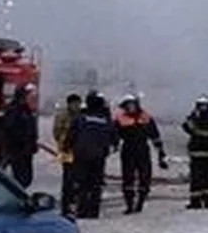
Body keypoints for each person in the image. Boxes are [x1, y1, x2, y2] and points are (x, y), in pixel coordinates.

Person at [114, 93, 168, 214]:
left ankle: (140, 202)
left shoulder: (146, 117)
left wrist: (161, 153)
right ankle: (129, 204)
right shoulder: (120, 118)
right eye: (128, 105)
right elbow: (114, 135)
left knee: (145, 176)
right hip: (128, 149)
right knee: (128, 177)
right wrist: (111, 146)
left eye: (132, 104)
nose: (130, 107)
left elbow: (155, 136)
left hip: (143, 149)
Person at [68, 92, 117, 220]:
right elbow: (114, 137)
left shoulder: (80, 118)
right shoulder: (105, 120)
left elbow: (71, 135)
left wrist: (68, 147)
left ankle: (82, 210)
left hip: (81, 155)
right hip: (98, 156)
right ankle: (94, 211)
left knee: (82, 183)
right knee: (96, 185)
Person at [1, 86, 38, 189]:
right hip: (18, 151)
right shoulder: (13, 110)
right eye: (28, 95)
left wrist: (33, 143)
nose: (31, 98)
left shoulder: (27, 110)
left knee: (27, 178)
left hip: (27, 151)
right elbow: (10, 129)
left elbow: (32, 128)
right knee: (21, 178)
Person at [53, 93, 82, 217]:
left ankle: (74, 201)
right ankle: (66, 205)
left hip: (78, 149)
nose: (77, 106)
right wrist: (63, 143)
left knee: (78, 176)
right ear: (69, 104)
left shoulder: (81, 115)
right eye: (74, 104)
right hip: (65, 150)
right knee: (68, 177)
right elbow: (56, 131)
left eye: (78, 104)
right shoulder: (62, 115)